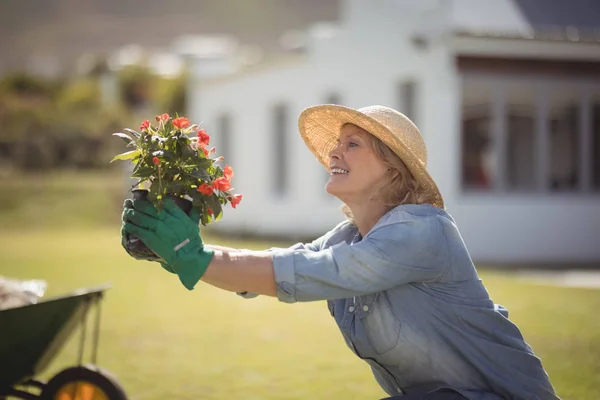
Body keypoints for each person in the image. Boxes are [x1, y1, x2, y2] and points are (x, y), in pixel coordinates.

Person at [121, 105, 559, 400]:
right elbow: (278, 267)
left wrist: (192, 257)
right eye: (337, 143)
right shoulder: (350, 236)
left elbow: (309, 272)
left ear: (392, 169)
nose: (334, 151)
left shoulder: (423, 231)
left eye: (353, 144)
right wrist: (169, 250)